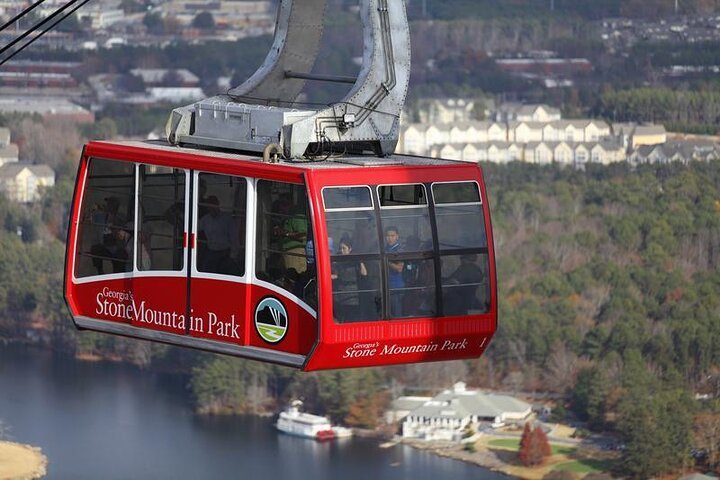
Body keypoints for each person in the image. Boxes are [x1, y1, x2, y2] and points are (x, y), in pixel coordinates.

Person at [90, 196, 131, 274]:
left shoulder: (121, 218)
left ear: (116, 207)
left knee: (121, 255)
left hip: (116, 248)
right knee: (95, 248)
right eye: (108, 204)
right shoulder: (101, 217)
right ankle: (100, 272)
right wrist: (93, 210)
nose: (109, 205)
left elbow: (122, 236)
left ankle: (118, 275)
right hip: (105, 246)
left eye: (111, 204)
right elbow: (90, 217)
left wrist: (113, 227)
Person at [331, 236, 368, 321]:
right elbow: (336, 275)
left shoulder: (354, 261)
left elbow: (364, 273)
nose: (342, 250)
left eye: (344, 248)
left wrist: (360, 261)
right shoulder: (339, 261)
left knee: (352, 318)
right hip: (341, 293)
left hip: (353, 295)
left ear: (350, 249)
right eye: (341, 248)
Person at [197, 196, 236, 274]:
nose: (211, 209)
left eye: (213, 206)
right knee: (205, 274)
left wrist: (232, 256)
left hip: (225, 254)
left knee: (224, 275)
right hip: (211, 252)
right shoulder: (205, 219)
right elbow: (193, 228)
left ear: (218, 205)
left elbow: (234, 238)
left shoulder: (227, 218)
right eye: (209, 207)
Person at [384, 226, 404, 317]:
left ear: (397, 237)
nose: (390, 238)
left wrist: (386, 262)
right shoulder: (385, 248)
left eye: (392, 236)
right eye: (388, 236)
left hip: (396, 287)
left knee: (396, 314)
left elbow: (399, 268)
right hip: (386, 286)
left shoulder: (399, 249)